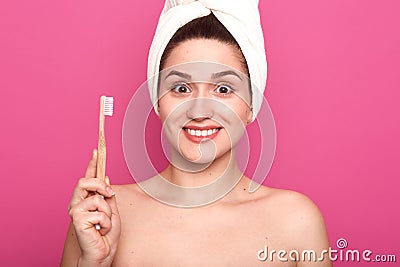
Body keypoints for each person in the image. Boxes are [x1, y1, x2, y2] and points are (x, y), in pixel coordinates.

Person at [61, 1, 332, 266]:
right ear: (157, 102)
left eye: (224, 89)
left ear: (252, 106)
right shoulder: (102, 216)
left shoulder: (296, 221)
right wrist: (93, 262)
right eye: (181, 88)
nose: (199, 110)